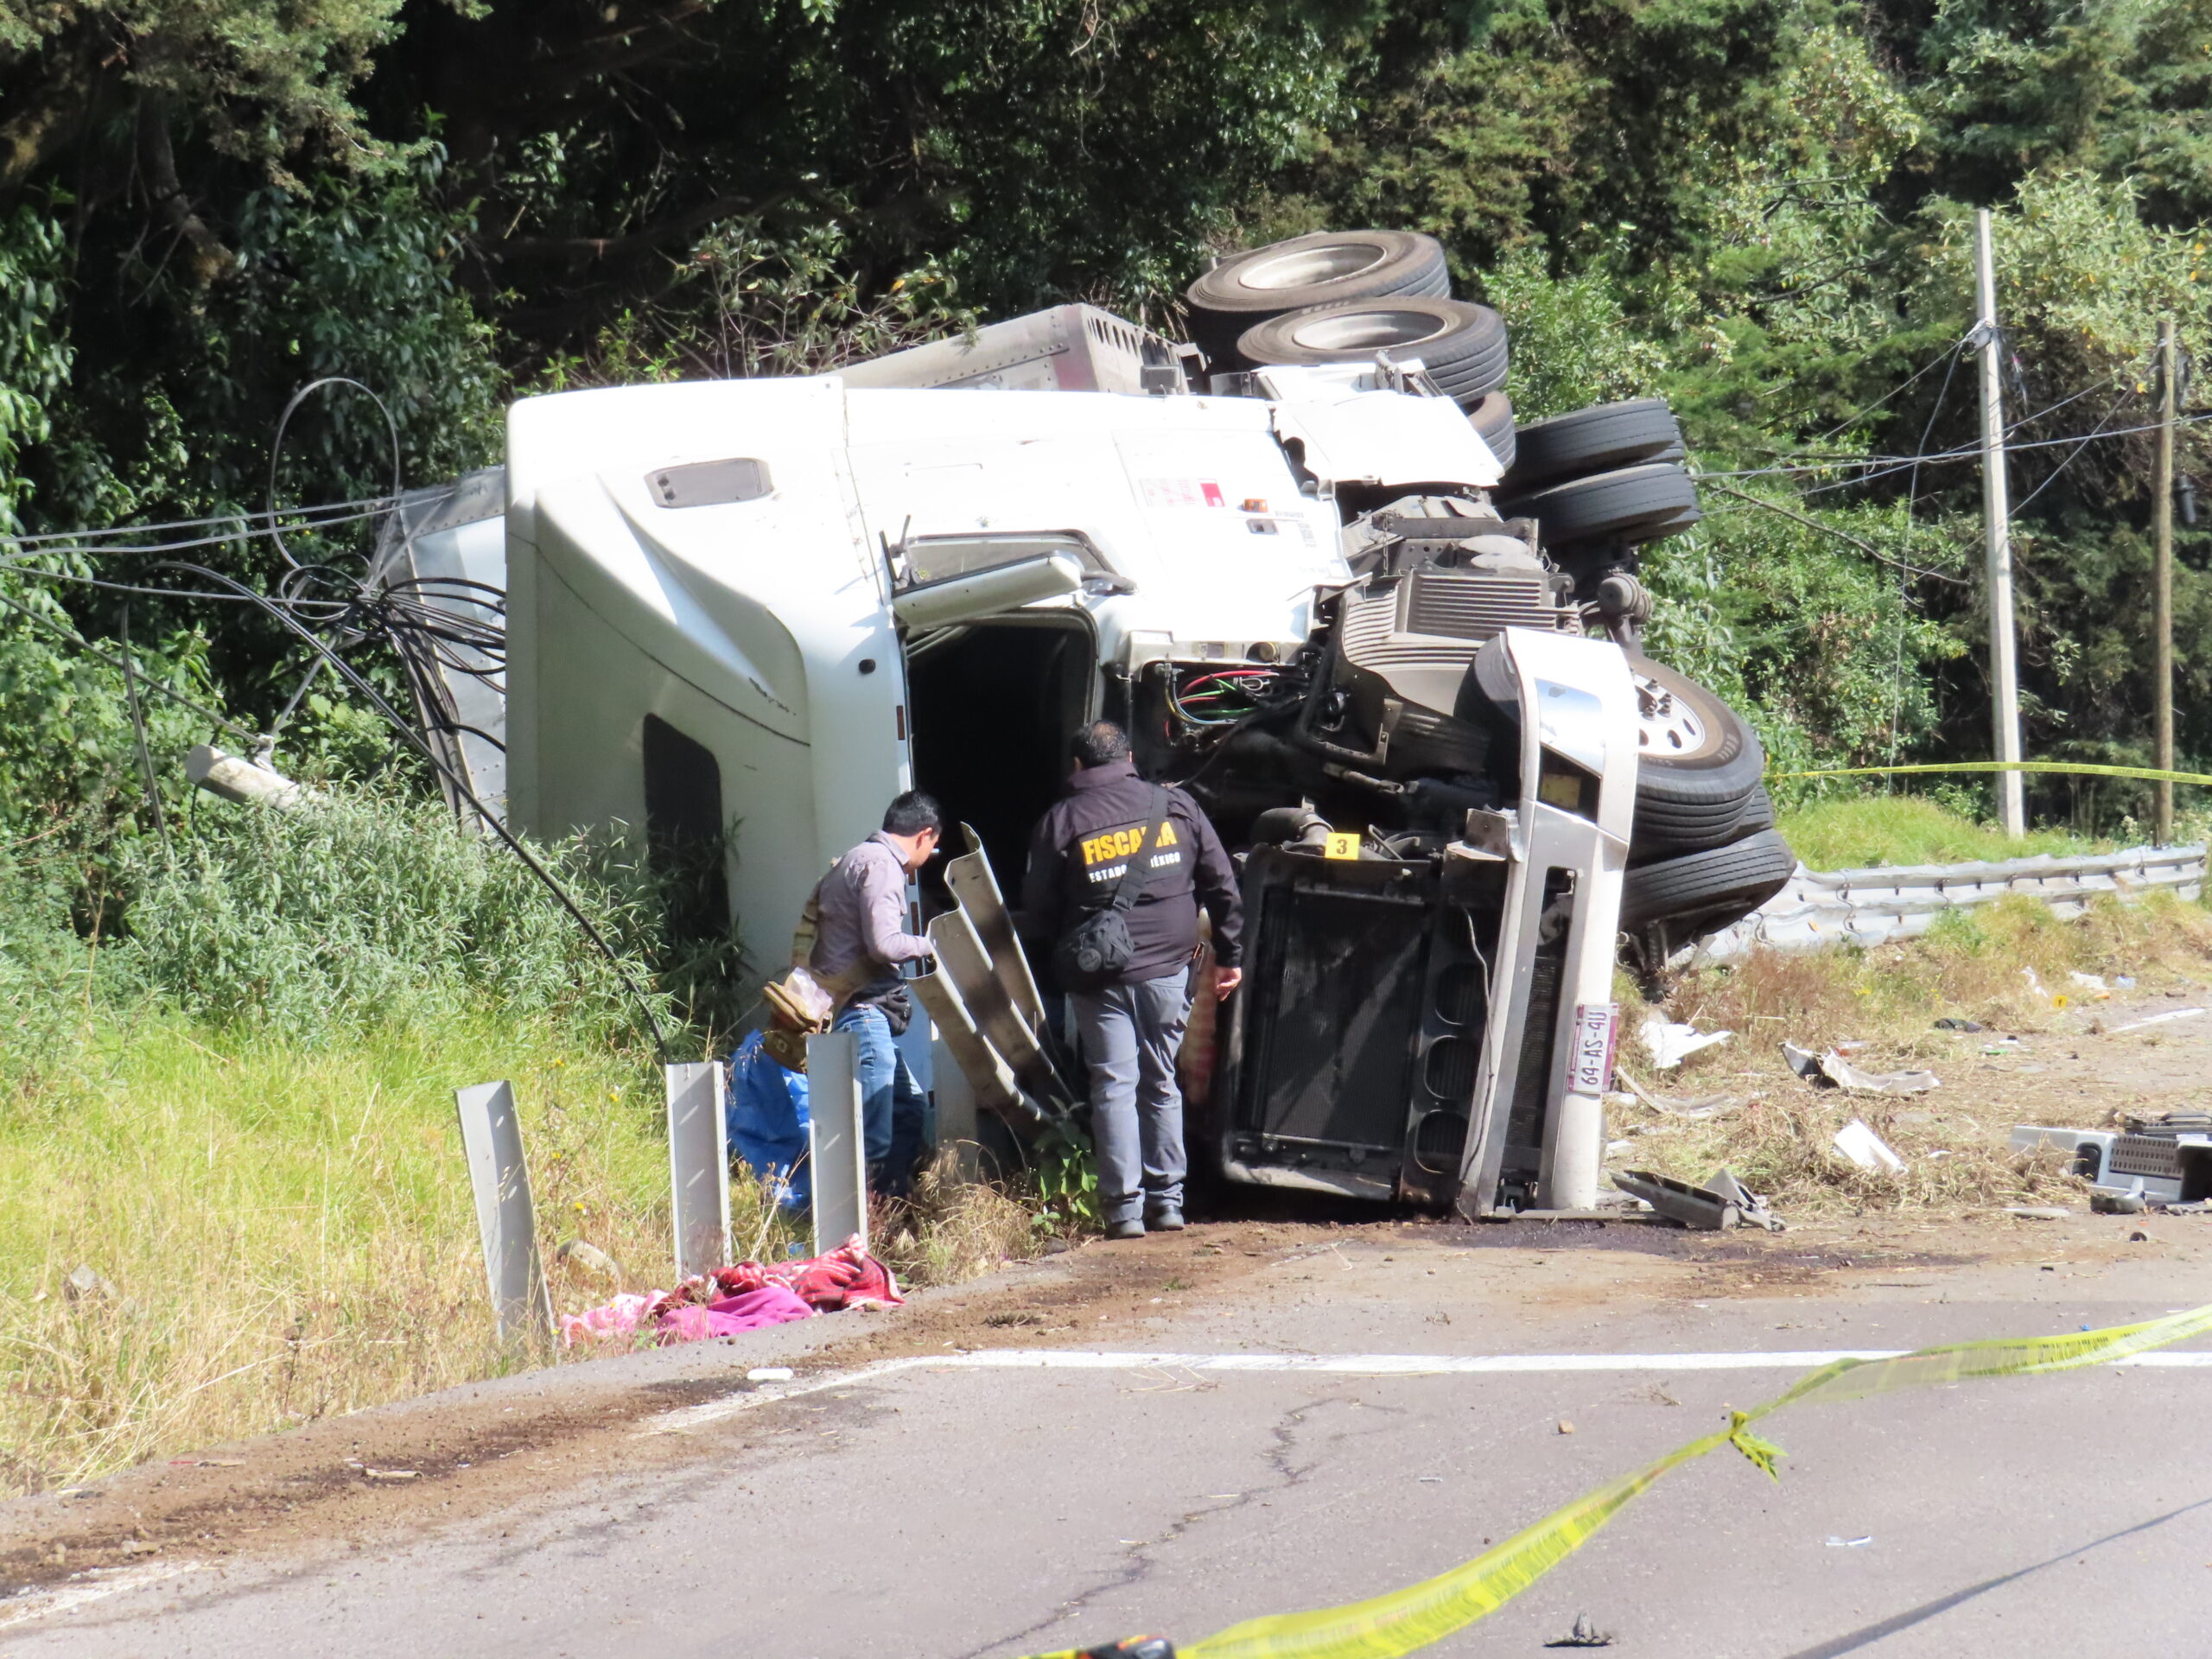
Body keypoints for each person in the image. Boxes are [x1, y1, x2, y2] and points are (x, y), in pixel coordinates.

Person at [1019, 721, 1243, 1238]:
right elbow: (1221, 884)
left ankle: (1123, 1212)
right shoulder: (1177, 806)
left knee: (1113, 1085)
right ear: (1129, 757)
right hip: (1169, 969)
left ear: (1078, 765)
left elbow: (1039, 907)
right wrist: (1230, 955)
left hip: (1099, 975)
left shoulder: (1062, 820)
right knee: (1161, 1079)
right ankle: (1168, 1203)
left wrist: (1065, 949)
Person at [798, 791, 941, 1195]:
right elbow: (885, 945)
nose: (928, 857)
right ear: (924, 835)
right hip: (863, 1012)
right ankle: (866, 1219)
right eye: (933, 847)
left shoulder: (857, 858)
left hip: (856, 1010)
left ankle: (893, 1207)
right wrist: (932, 945)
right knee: (874, 1136)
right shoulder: (881, 866)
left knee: (908, 1108)